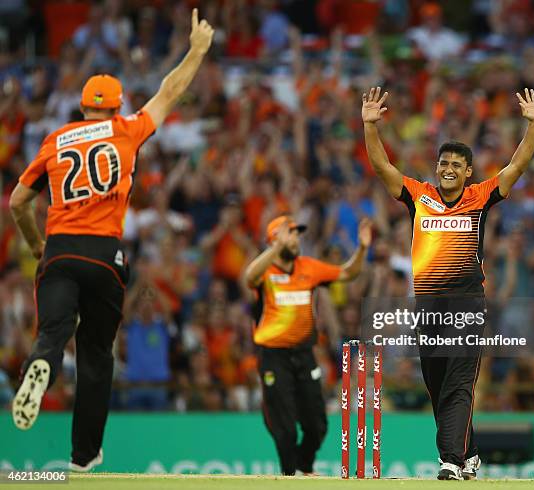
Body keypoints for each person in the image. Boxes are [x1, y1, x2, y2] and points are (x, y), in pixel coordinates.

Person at [9, 9, 214, 472]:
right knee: (97, 356)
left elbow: (19, 201)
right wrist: (196, 50)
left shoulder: (57, 139)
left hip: (60, 248)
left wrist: (35, 244)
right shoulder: (126, 130)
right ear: (117, 106)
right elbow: (170, 91)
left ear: (82, 108)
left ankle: (40, 365)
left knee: (52, 333)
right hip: (106, 256)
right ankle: (84, 457)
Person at [362, 86, 534, 479]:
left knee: (459, 383)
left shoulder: (479, 197)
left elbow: (517, 167)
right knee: (438, 386)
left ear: (467, 171)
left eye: (455, 165)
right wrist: (370, 127)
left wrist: (533, 125)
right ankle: (471, 451)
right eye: (443, 162)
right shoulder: (419, 196)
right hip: (427, 306)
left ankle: (450, 462)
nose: (447, 169)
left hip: (466, 304)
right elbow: (382, 169)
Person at [244, 215, 372, 476]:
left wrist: (361, 248)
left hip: (304, 354)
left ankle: (304, 465)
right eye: (290, 233)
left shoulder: (309, 267)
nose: (296, 239)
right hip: (273, 356)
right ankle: (290, 477)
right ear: (275, 239)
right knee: (286, 429)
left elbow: (348, 272)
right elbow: (249, 277)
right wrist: (274, 250)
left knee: (317, 425)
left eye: (296, 234)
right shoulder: (265, 272)